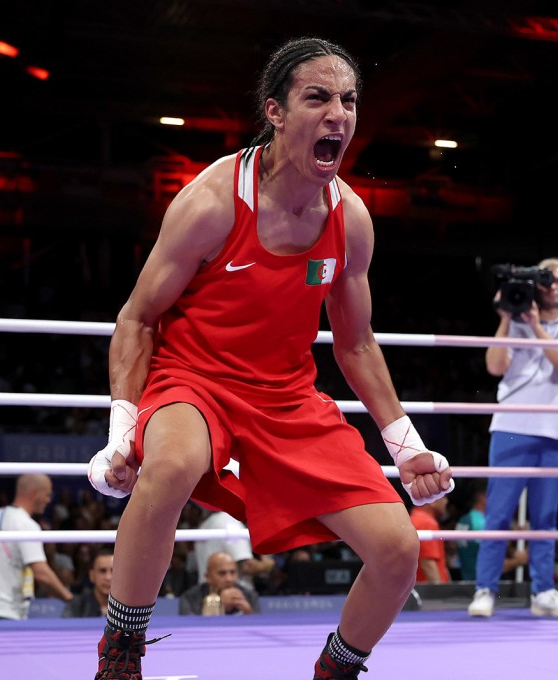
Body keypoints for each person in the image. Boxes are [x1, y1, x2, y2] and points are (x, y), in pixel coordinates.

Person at [85, 36, 454, 680]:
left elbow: (356, 342)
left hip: (287, 398)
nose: (338, 112)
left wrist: (405, 445)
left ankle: (335, 670)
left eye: (349, 100)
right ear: (276, 112)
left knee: (398, 549)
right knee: (169, 467)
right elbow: (137, 317)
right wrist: (121, 431)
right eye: (318, 97)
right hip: (192, 379)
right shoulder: (213, 200)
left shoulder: (352, 220)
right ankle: (120, 655)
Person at [468, 256, 558, 618]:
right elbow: (495, 367)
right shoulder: (514, 325)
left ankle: (543, 592)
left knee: (546, 516)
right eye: (545, 279)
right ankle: (484, 590)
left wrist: (538, 328)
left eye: (556, 279)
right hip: (511, 428)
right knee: (498, 513)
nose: (551, 285)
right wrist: (507, 316)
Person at [0, 474, 74, 619]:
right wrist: (70, 599)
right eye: (47, 495)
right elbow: (41, 572)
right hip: (7, 611)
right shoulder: (26, 525)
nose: (48, 500)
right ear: (37, 493)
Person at [192, 507, 275, 593]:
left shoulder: (205, 525)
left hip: (206, 591)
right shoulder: (230, 523)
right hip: (233, 594)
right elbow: (247, 566)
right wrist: (267, 565)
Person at [178, 551, 260, 616]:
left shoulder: (250, 596)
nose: (229, 579)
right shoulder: (189, 598)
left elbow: (259, 626)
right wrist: (219, 606)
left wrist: (248, 613)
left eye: (233, 572)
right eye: (222, 573)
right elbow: (190, 628)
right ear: (208, 577)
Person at [63, 549, 114, 618]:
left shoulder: (129, 607)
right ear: (92, 575)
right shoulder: (76, 606)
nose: (108, 577)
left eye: (113, 571)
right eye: (102, 571)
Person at [410, 496, 450, 584]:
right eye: (443, 497)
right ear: (431, 500)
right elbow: (427, 563)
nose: (446, 501)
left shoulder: (414, 519)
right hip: (427, 591)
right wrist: (438, 592)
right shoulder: (426, 523)